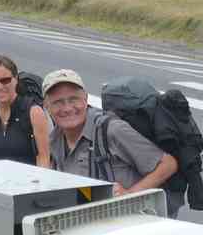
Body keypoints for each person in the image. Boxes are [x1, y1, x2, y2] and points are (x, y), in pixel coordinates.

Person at [42, 69, 181, 216]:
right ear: (46, 106)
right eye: (58, 102)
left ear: (85, 99)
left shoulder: (111, 130)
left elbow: (168, 164)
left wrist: (129, 195)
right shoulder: (54, 139)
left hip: (131, 222)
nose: (67, 108)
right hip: (91, 221)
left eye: (73, 99)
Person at [0, 54, 50, 168]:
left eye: (5, 80)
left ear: (16, 79)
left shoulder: (33, 112)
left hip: (28, 183)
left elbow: (44, 158)